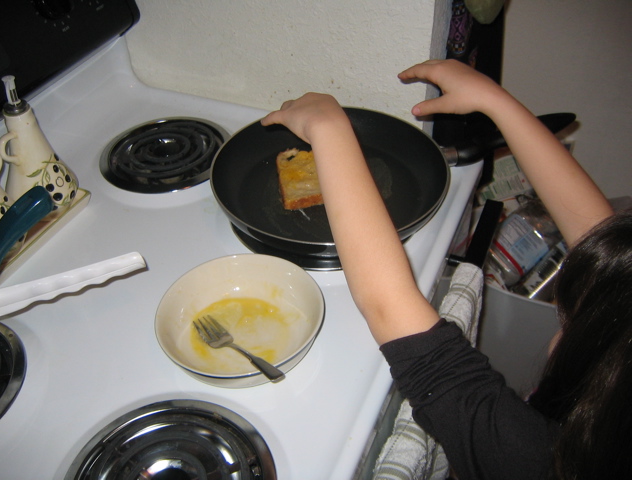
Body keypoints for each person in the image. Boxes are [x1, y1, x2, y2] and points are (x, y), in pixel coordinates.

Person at [261, 59, 630, 479]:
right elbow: (602, 246)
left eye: (575, 319)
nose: (569, 315)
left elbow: (396, 313)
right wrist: (496, 102)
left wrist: (329, 131)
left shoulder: (535, 461)